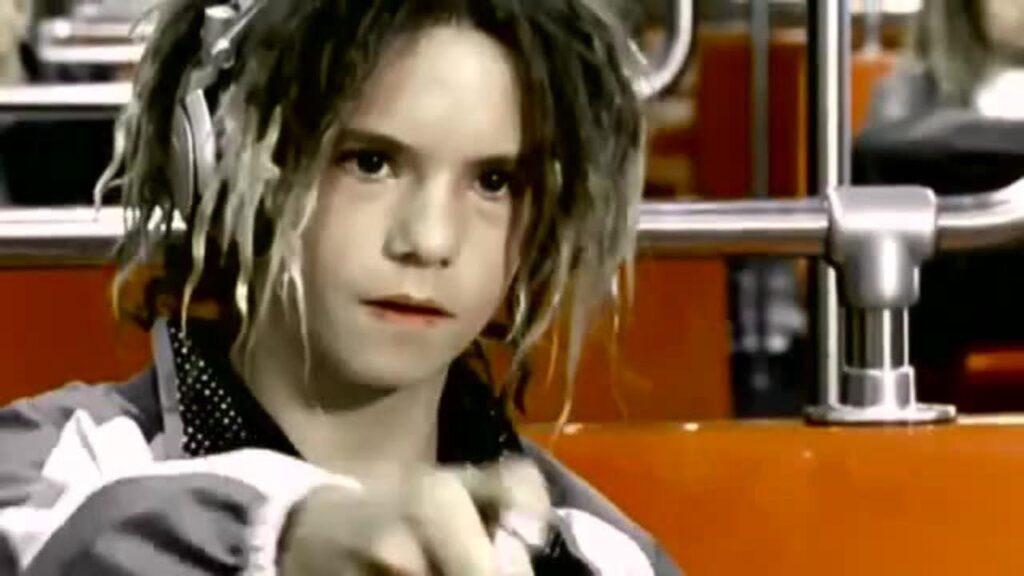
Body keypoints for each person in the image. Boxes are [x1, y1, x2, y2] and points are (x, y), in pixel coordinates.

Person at [0, 0, 680, 574]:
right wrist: (282, 538)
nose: (429, 240)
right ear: (216, 162)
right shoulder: (54, 470)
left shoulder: (601, 555)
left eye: (493, 182)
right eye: (370, 162)